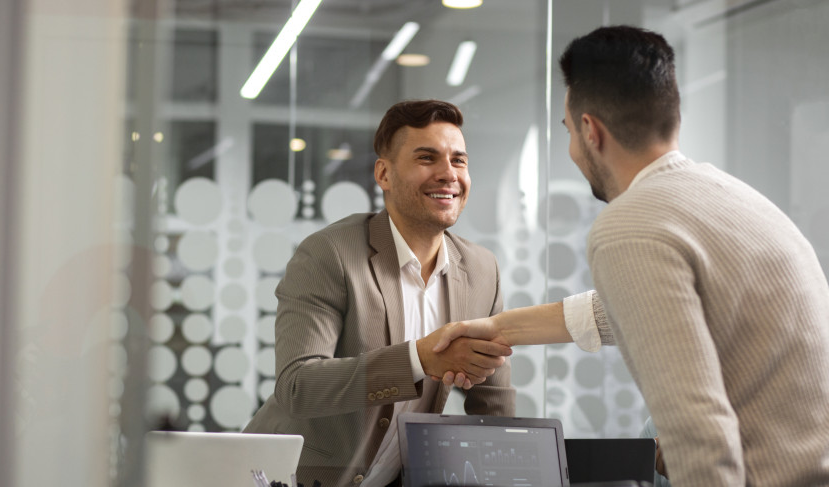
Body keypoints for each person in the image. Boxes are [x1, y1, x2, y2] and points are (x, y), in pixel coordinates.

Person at [432, 25, 829, 486]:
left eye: (568, 132)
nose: (571, 151)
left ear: (590, 130)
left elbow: (695, 426)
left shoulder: (631, 224)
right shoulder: (733, 199)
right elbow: (631, 308)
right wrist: (500, 329)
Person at [243, 99, 516, 487]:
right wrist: (419, 359)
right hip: (286, 478)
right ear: (384, 174)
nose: (448, 174)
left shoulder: (481, 270)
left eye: (459, 160)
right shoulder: (330, 253)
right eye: (427, 158)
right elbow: (297, 385)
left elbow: (493, 403)